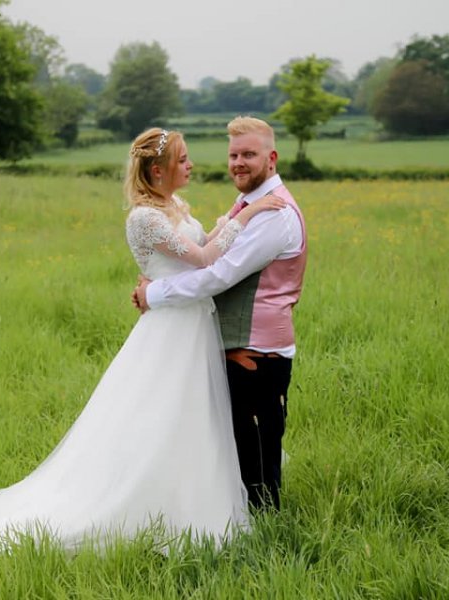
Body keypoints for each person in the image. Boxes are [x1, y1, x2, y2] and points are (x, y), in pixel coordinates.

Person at [0, 128, 284, 570]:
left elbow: (201, 244)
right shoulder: (144, 219)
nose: (191, 165)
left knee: (193, 416)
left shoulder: (173, 207)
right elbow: (206, 258)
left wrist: (236, 213)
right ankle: (146, 504)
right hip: (171, 329)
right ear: (158, 171)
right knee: (162, 414)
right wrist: (250, 213)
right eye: (182, 160)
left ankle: (187, 495)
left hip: (192, 325)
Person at [134, 116, 308, 511]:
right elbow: (207, 253)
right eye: (233, 155)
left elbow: (218, 274)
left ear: (272, 159)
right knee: (231, 449)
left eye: (249, 155)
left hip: (257, 350)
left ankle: (265, 534)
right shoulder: (249, 205)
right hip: (233, 345)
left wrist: (154, 293)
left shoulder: (274, 214)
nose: (238, 163)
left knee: (256, 465)